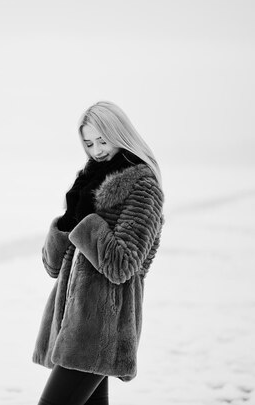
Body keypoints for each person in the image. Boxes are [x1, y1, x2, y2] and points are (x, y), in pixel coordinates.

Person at [33, 101, 165, 405]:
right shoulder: (88, 182)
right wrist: (66, 223)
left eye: (103, 140)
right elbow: (54, 267)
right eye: (89, 143)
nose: (97, 150)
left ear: (119, 134)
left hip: (102, 330)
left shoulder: (143, 186)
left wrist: (86, 222)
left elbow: (122, 264)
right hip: (73, 325)